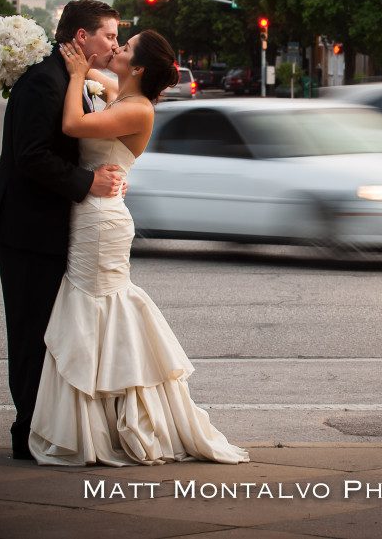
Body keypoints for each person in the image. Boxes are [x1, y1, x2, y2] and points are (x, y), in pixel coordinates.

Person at [26, 30, 249, 466]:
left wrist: (77, 75)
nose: (117, 48)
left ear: (140, 67)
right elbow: (95, 74)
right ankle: (101, 416)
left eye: (125, 47)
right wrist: (68, 58)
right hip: (92, 211)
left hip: (102, 221)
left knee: (97, 308)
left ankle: (105, 421)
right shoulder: (119, 93)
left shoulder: (138, 108)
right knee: (98, 310)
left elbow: (73, 125)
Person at [0, 0, 127, 461]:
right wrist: (88, 182)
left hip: (53, 225)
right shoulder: (45, 80)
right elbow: (31, 156)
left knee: (52, 330)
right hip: (26, 227)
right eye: (109, 35)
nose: (115, 44)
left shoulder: (71, 76)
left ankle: (48, 426)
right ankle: (26, 433)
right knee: (31, 331)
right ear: (82, 36)